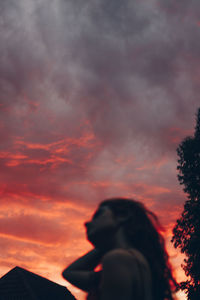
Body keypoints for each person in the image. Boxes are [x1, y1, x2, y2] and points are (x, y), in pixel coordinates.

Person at [62, 198, 177, 300]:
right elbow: (70, 273)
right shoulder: (134, 261)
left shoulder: (117, 258)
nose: (86, 223)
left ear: (123, 216)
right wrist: (106, 243)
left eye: (98, 215)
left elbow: (69, 273)